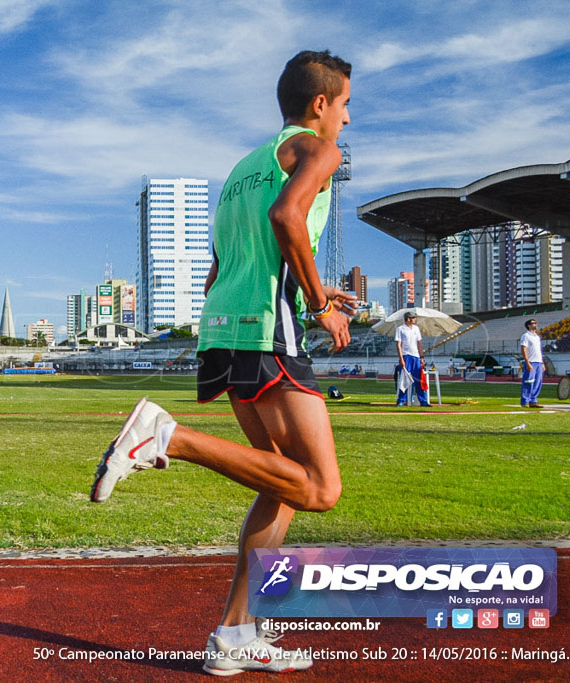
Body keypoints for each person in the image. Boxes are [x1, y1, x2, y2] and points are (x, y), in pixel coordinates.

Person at [90, 50, 356, 676]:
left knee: (280, 486)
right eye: (345, 105)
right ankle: (166, 438)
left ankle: (235, 636)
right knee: (319, 487)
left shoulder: (243, 167)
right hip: (267, 328)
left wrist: (297, 292)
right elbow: (287, 217)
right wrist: (317, 300)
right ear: (320, 104)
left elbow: (220, 264)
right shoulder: (318, 152)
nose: (347, 119)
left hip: (223, 325)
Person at [395, 311, 430, 407]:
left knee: (418, 379)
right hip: (406, 355)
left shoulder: (416, 329)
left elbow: (419, 343)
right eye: (413, 318)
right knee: (404, 379)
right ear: (408, 319)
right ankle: (401, 400)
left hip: (416, 356)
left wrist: (421, 357)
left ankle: (423, 400)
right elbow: (398, 344)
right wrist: (401, 358)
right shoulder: (400, 329)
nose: (415, 319)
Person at [520, 319, 543, 408]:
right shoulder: (526, 336)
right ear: (529, 325)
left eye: (536, 323)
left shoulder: (537, 337)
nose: (536, 324)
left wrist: (542, 363)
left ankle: (533, 400)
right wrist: (527, 362)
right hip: (531, 361)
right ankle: (525, 401)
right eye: (533, 323)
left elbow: (539, 350)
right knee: (528, 381)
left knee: (538, 382)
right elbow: (524, 349)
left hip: (538, 362)